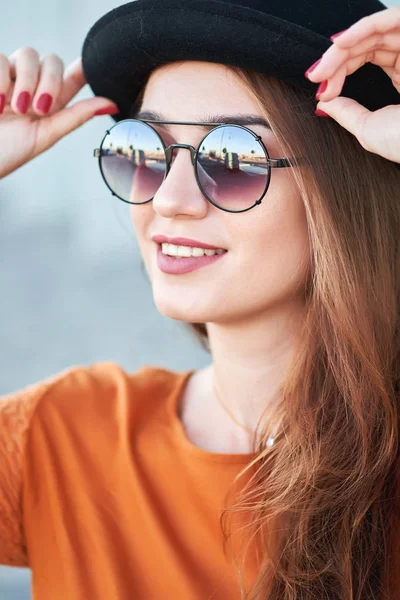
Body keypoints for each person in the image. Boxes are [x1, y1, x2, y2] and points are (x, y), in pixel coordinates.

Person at [0, 0, 399, 598]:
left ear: (345, 187)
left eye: (232, 158)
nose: (169, 199)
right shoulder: (57, 438)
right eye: (145, 150)